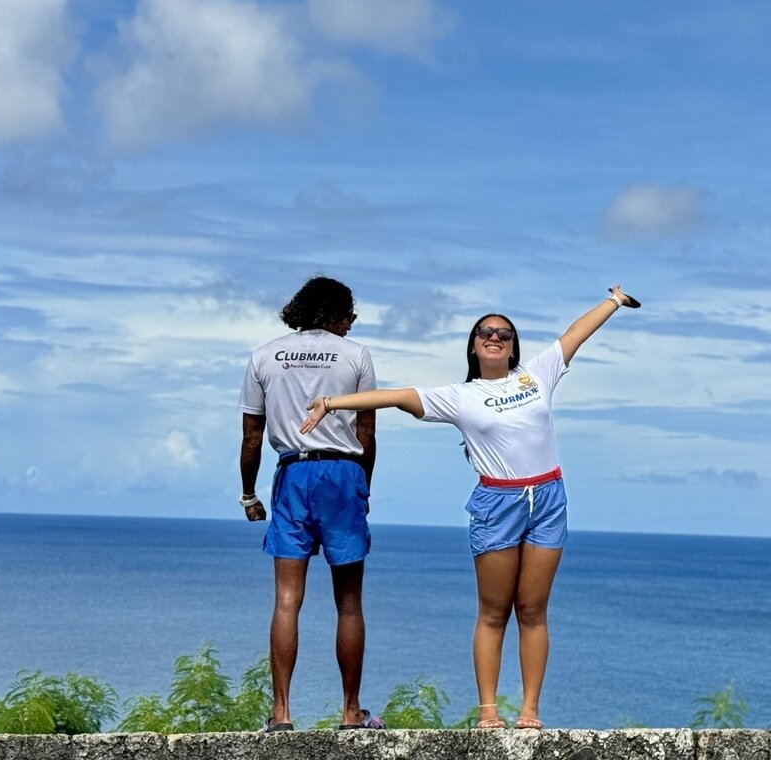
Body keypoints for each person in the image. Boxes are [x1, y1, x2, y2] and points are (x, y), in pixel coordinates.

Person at [299, 285, 638, 730]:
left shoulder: (538, 374)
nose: (495, 336)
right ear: (474, 345)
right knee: (495, 611)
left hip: (548, 498)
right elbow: (396, 396)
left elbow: (577, 332)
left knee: (533, 611)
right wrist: (331, 402)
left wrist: (613, 301)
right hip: (498, 503)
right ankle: (488, 712)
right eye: (485, 332)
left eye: (504, 333)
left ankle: (531, 712)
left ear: (514, 346)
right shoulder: (460, 397)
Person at [239, 275, 384, 731]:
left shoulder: (265, 355)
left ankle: (281, 714)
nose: (350, 326)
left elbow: (252, 437)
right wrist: (365, 487)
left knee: (286, 599)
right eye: (350, 318)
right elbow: (367, 433)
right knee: (349, 603)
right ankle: (350, 712)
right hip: (342, 472)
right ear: (338, 314)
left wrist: (248, 493)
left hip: (293, 471)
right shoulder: (356, 355)